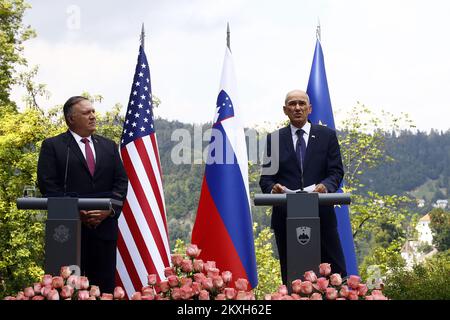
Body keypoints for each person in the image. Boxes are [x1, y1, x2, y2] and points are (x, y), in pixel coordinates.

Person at [37, 96, 128, 293]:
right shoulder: (54, 146)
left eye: (93, 112)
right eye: (87, 113)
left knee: (103, 290)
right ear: (71, 119)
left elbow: (121, 183)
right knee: (68, 289)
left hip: (104, 230)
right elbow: (48, 185)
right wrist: (76, 212)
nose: (93, 116)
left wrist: (108, 210)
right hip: (68, 232)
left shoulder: (109, 146)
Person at [259, 89, 346, 284]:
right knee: (293, 278)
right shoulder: (274, 139)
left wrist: (326, 186)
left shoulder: (327, 136)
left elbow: (336, 172)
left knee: (336, 274)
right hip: (287, 218)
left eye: (301, 103)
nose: (297, 107)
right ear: (285, 110)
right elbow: (266, 179)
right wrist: (273, 189)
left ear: (309, 109)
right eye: (292, 104)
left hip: (322, 216)